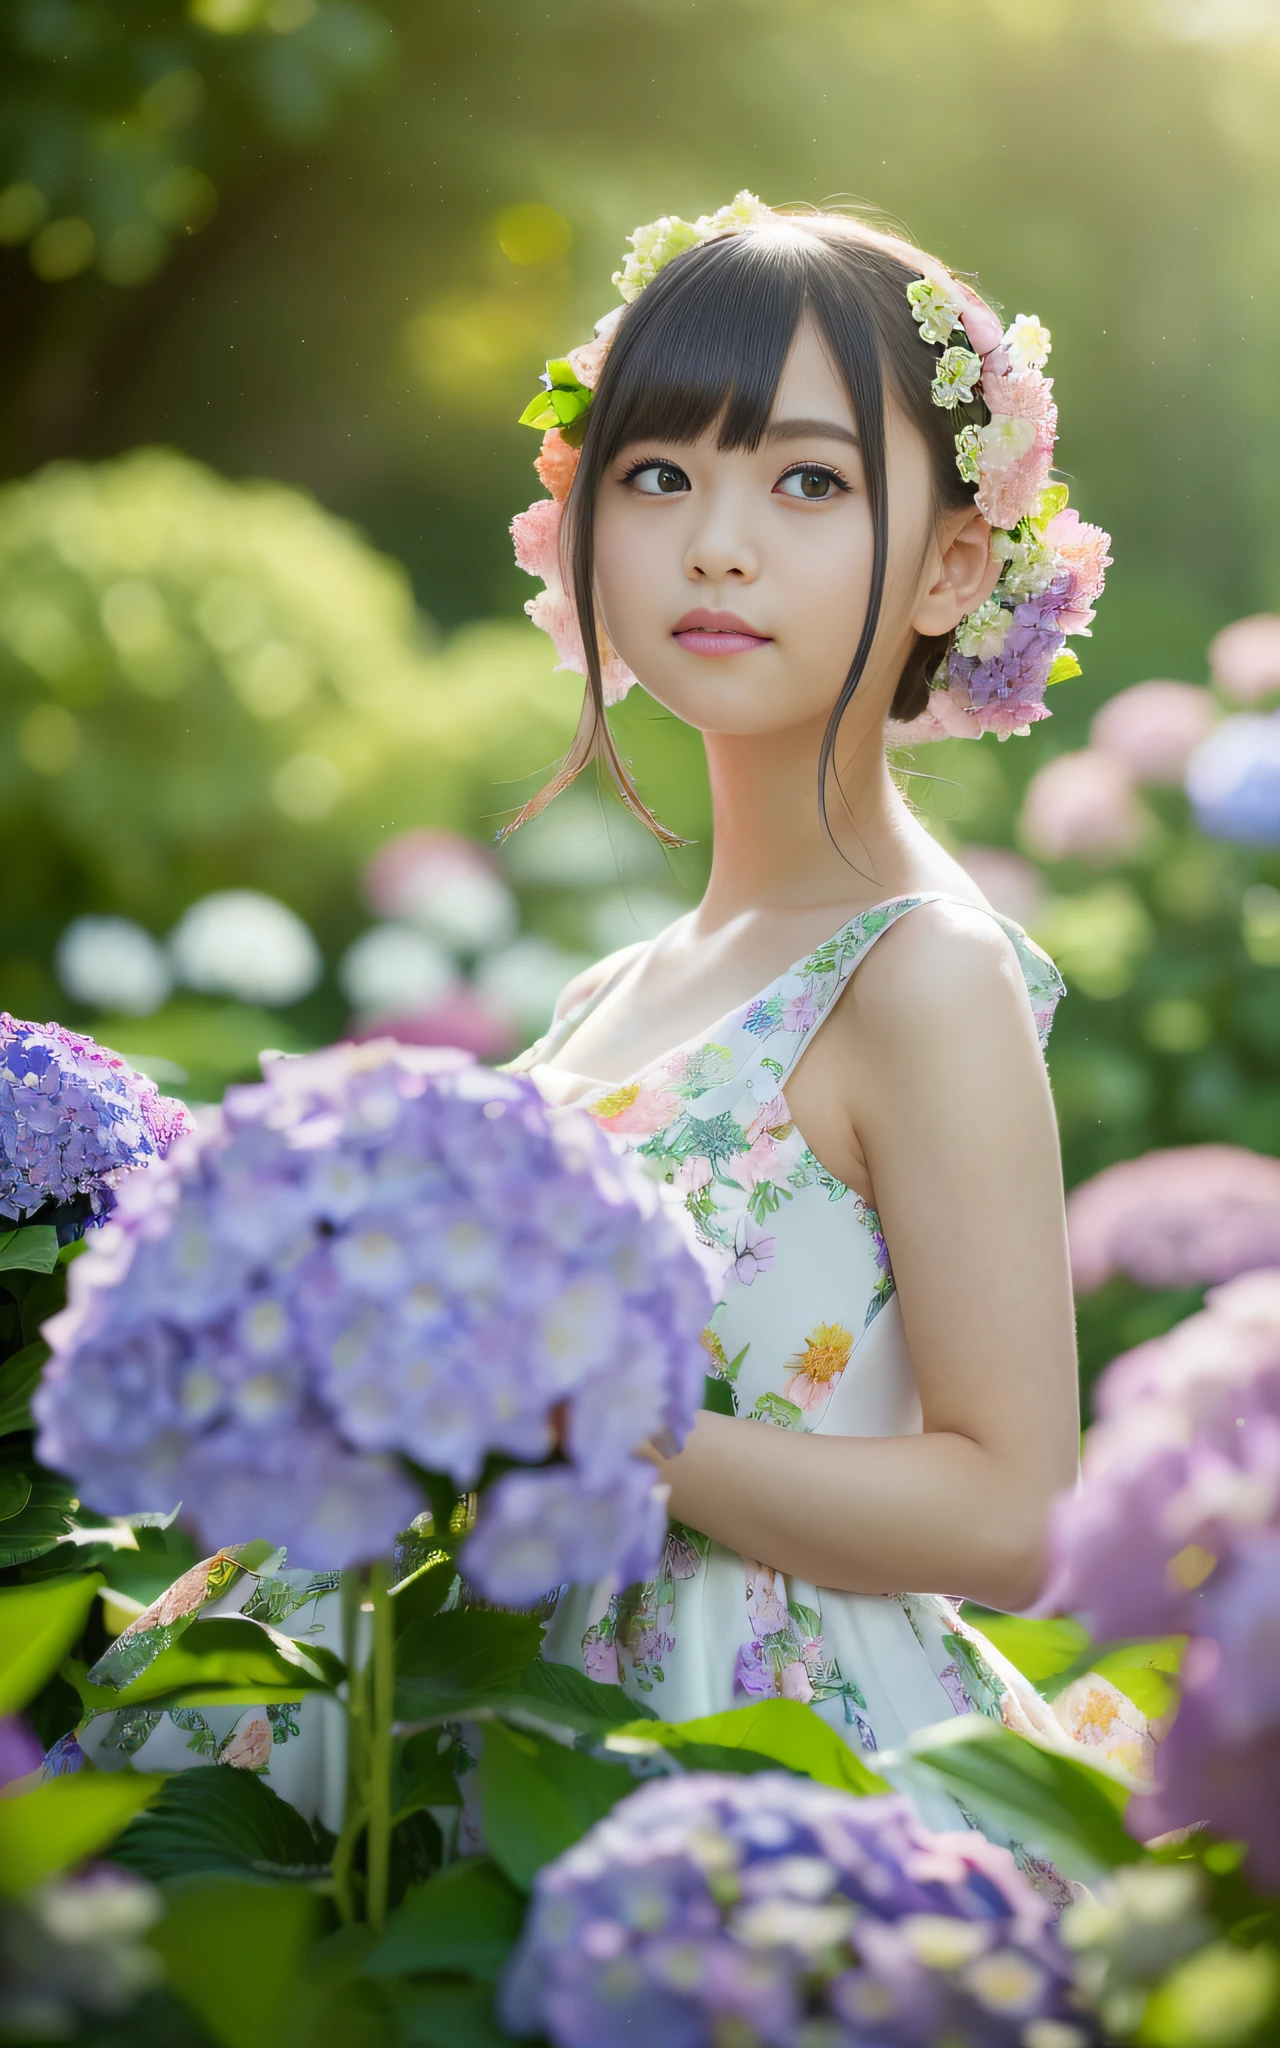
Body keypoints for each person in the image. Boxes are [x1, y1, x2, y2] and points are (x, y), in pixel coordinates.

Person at [505, 196, 1125, 1853]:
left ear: (950, 564)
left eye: (806, 481)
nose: (717, 541)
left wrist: (603, 1425)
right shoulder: (604, 995)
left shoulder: (919, 972)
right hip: (515, 1709)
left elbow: (1012, 1508)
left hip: (767, 1768)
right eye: (659, 475)